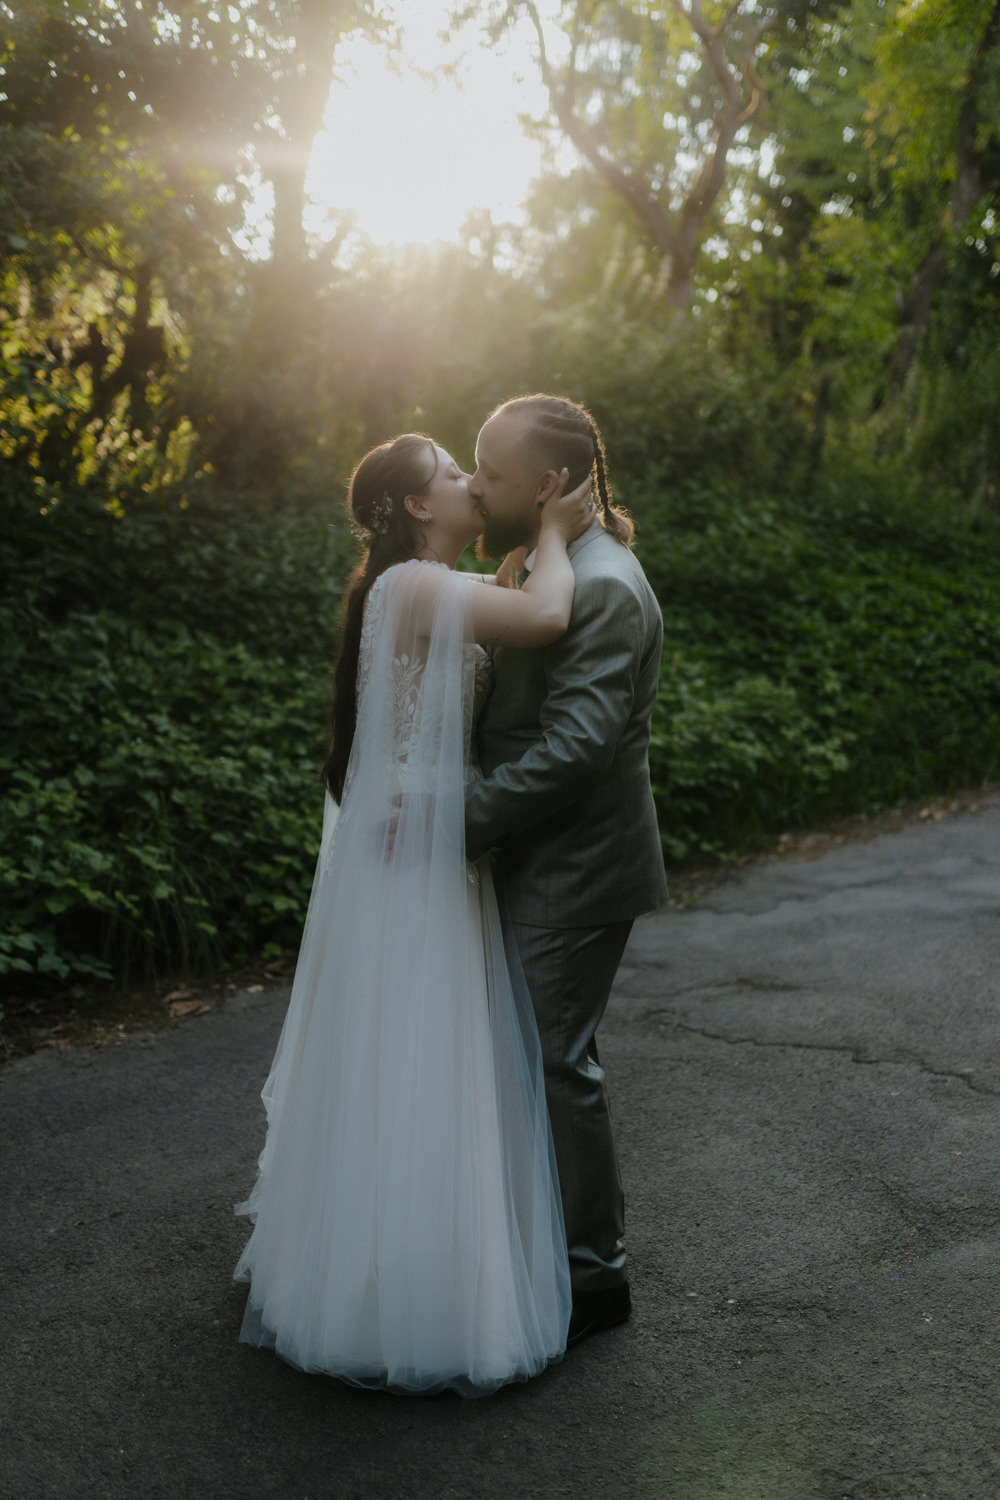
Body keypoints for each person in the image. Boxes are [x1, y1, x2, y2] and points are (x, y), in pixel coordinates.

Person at [234, 433, 594, 1396]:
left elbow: (503, 608)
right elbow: (548, 615)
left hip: (427, 839)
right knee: (420, 1051)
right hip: (416, 851)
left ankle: (403, 1265)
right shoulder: (416, 587)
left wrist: (524, 552)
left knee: (416, 1055)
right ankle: (409, 1295)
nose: (472, 481)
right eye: (452, 473)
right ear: (417, 507)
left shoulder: (414, 585)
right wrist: (557, 532)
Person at [465, 394, 668, 1345]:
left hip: (574, 868)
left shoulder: (603, 585)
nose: (475, 486)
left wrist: (455, 820)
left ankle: (594, 1281)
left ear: (547, 484)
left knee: (556, 1063)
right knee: (536, 1059)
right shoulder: (550, 563)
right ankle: (549, 1253)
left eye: (490, 472)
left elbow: (576, 751)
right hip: (536, 854)